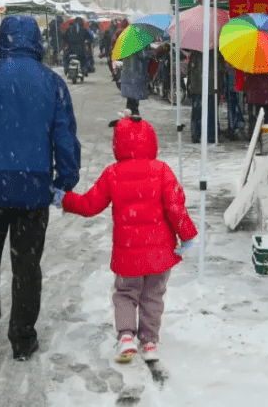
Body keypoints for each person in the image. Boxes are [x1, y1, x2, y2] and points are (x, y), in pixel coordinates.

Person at [0, 15, 81, 361]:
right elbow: (64, 135)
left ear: (1, 39)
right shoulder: (51, 82)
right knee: (26, 265)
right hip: (33, 187)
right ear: (36, 41)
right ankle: (22, 336)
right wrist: (65, 179)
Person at [54, 113, 198, 363]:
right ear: (151, 141)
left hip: (128, 253)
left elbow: (90, 205)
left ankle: (126, 337)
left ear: (117, 144)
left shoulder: (113, 173)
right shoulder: (162, 171)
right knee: (153, 295)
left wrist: (64, 199)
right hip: (159, 254)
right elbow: (176, 207)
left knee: (126, 294)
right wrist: (187, 236)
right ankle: (150, 341)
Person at [185, 50, 217, 143]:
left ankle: (196, 134)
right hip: (209, 88)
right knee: (209, 112)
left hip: (198, 88)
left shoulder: (195, 53)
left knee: (197, 113)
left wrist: (189, 88)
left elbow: (190, 71)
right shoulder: (213, 53)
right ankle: (209, 136)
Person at [120, 45, 151, 115]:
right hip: (136, 75)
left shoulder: (126, 44)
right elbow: (144, 56)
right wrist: (151, 52)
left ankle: (129, 119)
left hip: (128, 74)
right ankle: (134, 120)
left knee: (130, 100)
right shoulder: (139, 45)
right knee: (134, 102)